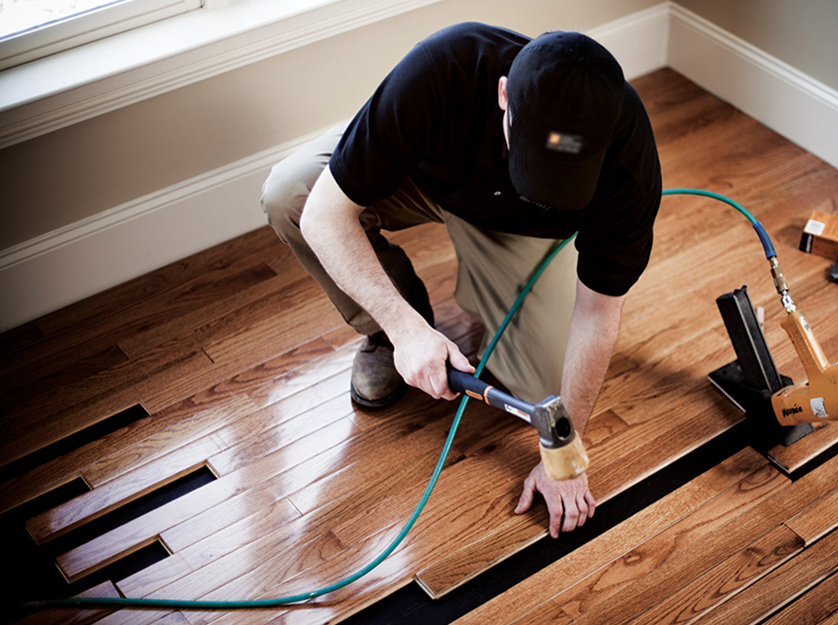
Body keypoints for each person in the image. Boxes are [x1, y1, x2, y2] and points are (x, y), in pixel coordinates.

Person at [261, 22, 661, 538]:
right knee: (290, 194)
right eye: (535, 158)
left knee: (546, 393)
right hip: (422, 180)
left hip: (522, 232)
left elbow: (599, 310)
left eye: (564, 169)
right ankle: (386, 334)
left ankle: (484, 289)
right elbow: (322, 215)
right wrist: (406, 330)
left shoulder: (628, 166)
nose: (545, 175)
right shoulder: (442, 70)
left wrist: (565, 455)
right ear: (503, 96)